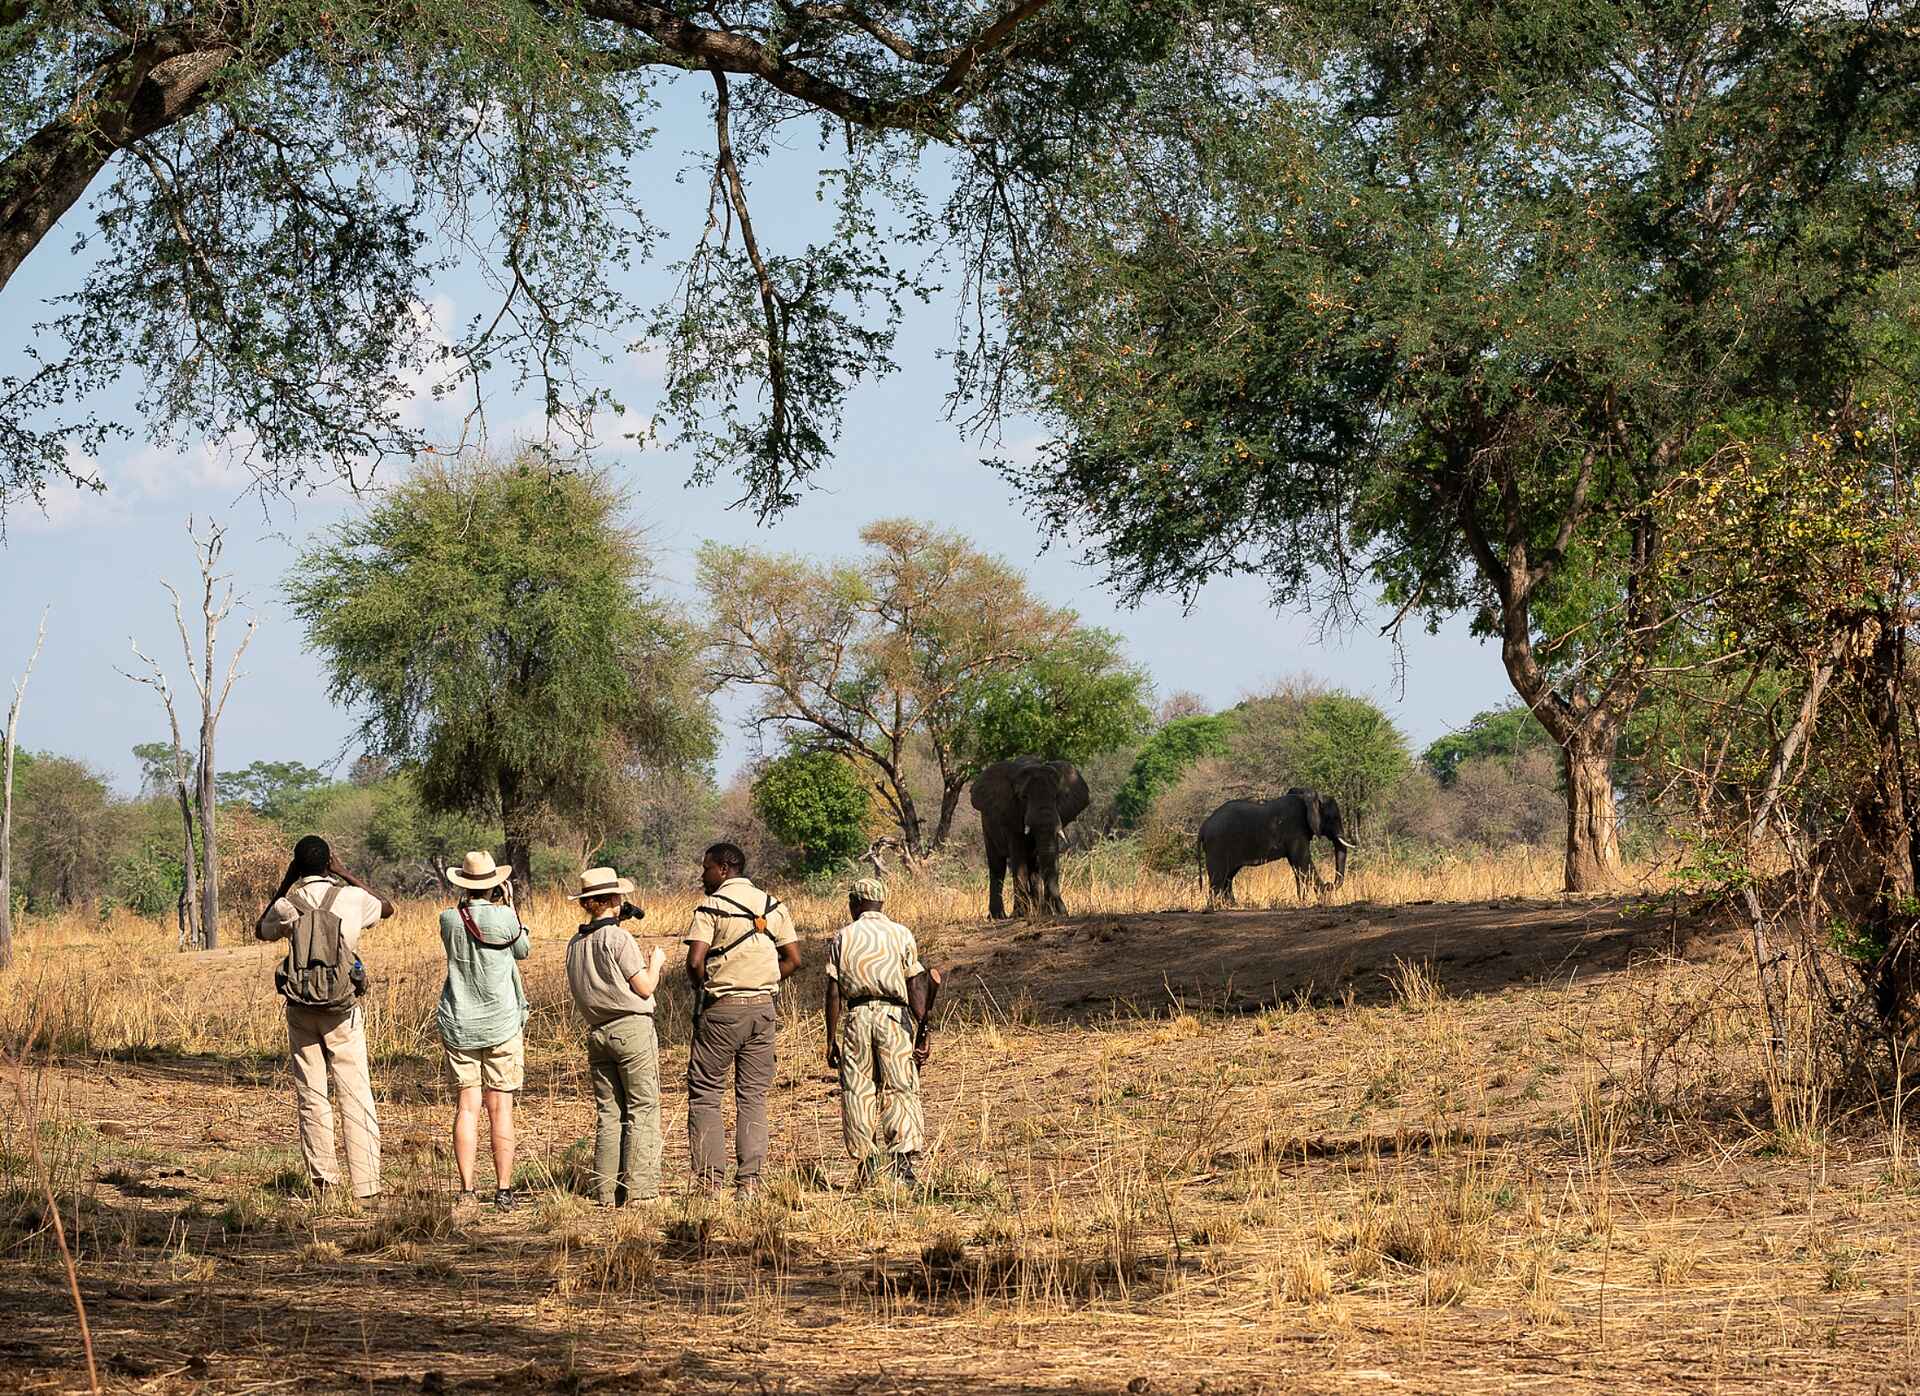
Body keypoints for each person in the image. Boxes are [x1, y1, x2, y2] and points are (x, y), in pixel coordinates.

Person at [255, 834, 394, 1203]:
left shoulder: (287, 905)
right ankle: (366, 1188)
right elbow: (387, 907)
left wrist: (286, 883)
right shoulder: (352, 897)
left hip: (301, 1008)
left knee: (312, 1095)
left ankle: (325, 1186)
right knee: (355, 1093)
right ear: (329, 862)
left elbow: (260, 929)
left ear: (297, 866)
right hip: (342, 1009)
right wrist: (345, 873)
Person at [684, 842, 799, 1196]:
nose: (702, 875)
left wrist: (706, 986)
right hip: (763, 1009)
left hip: (722, 1009)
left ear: (723, 869)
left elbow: (694, 961)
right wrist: (763, 978)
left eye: (706, 868)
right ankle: (749, 1182)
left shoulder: (711, 907)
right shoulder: (773, 906)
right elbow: (794, 959)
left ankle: (710, 1183)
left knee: (706, 1094)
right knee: (753, 1096)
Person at [564, 866, 667, 1206]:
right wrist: (656, 963)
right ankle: (642, 1192)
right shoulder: (618, 939)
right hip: (631, 1029)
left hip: (597, 1033)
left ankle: (605, 1191)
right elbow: (644, 987)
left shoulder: (576, 943)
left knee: (609, 1114)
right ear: (611, 900)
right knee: (643, 1108)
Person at [823, 878, 935, 1186]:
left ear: (855, 903)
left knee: (857, 1091)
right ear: (881, 902)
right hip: (894, 1017)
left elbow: (833, 991)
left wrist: (831, 1038)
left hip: (857, 1017)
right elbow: (915, 985)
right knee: (901, 1087)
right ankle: (902, 1166)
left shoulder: (843, 936)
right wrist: (923, 1028)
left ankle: (867, 1166)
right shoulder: (901, 933)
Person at [437, 850, 531, 1211]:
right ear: (495, 884)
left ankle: (467, 1190)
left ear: (463, 884)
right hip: (501, 1023)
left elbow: (462, 927)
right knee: (501, 1107)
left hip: (460, 1022)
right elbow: (522, 949)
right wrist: (509, 905)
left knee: (467, 1107)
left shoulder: (449, 919)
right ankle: (504, 1190)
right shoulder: (505, 917)